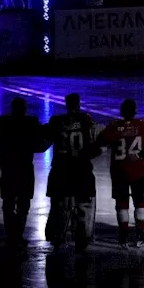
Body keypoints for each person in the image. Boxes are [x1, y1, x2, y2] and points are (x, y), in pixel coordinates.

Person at [98, 98, 144, 247]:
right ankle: (141, 232)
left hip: (119, 171)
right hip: (138, 170)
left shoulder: (114, 127)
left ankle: (123, 235)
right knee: (140, 202)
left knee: (121, 203)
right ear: (135, 111)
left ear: (121, 112)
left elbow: (101, 140)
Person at [45, 93, 101, 251]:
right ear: (79, 104)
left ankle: (57, 237)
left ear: (66, 104)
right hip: (82, 170)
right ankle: (83, 238)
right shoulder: (87, 120)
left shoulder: (56, 121)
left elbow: (43, 143)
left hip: (60, 171)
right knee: (84, 207)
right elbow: (98, 144)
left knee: (59, 206)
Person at [0, 97, 49, 242]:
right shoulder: (31, 122)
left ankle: (10, 233)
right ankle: (18, 232)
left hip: (8, 169)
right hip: (25, 168)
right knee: (23, 204)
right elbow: (41, 144)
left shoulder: (3, 122)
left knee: (8, 202)